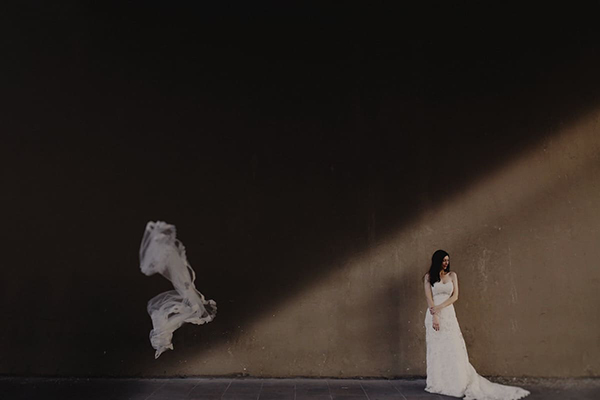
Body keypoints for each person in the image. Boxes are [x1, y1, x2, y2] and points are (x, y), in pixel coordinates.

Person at [423, 250, 530, 399]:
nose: (446, 263)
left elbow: (455, 296)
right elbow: (429, 298)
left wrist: (440, 308)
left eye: (447, 260)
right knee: (437, 349)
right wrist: (435, 316)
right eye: (443, 260)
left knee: (453, 347)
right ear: (437, 261)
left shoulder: (452, 275)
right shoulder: (428, 277)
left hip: (448, 315)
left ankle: (456, 383)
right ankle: (438, 383)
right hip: (433, 315)